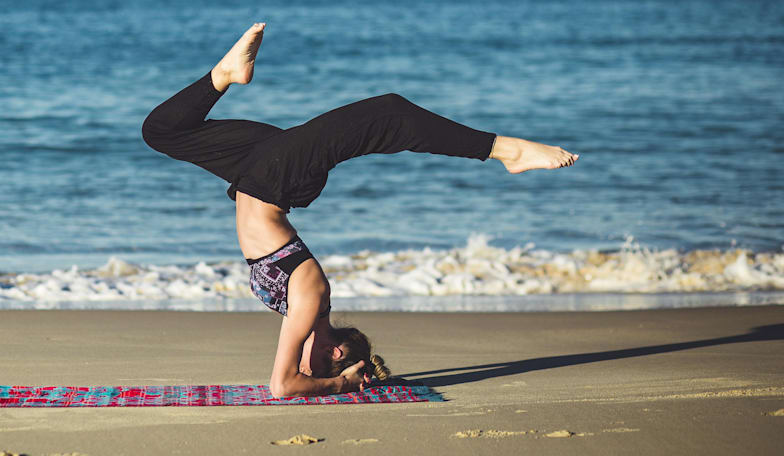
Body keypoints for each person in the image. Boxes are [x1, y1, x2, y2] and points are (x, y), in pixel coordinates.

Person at [141, 23, 578, 398]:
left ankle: (225, 74)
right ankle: (507, 151)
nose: (300, 363)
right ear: (336, 351)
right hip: (277, 178)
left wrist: (344, 379)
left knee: (161, 131)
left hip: (256, 172)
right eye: (313, 365)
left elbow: (286, 381)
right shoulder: (310, 298)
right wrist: (341, 384)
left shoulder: (300, 312)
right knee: (390, 111)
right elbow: (283, 385)